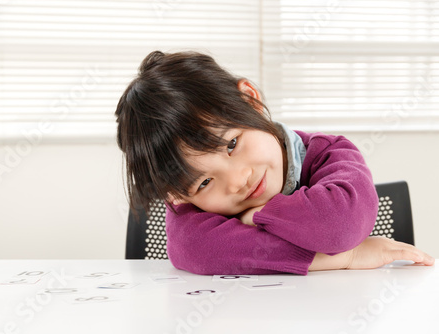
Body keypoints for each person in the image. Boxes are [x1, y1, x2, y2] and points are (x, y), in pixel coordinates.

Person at [115, 50, 434, 275]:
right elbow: (196, 249)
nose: (237, 181)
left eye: (232, 144)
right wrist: (345, 258)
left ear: (250, 100)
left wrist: (258, 216)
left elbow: (343, 225)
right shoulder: (189, 205)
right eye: (204, 182)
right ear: (177, 196)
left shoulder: (328, 151)